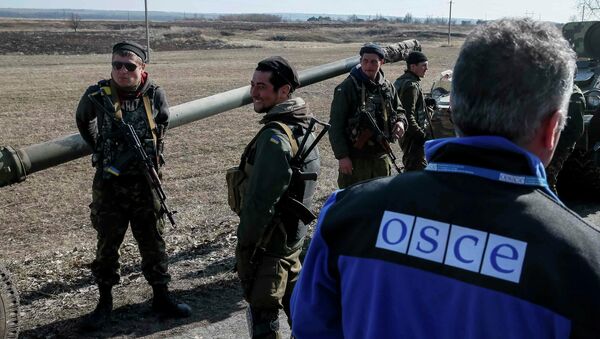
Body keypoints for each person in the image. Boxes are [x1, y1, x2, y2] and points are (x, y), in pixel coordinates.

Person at [291, 19, 600, 338]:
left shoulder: (346, 215)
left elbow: (310, 327)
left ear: (454, 108)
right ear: (553, 129)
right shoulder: (584, 265)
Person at [76, 41, 191, 330]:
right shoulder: (97, 93)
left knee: (153, 241)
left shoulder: (154, 94)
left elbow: (162, 124)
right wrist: (101, 148)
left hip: (145, 182)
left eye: (130, 66)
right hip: (110, 185)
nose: (123, 71)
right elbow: (83, 121)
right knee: (106, 246)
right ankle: (104, 304)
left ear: (142, 68)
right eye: (117, 65)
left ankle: (161, 296)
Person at [234, 56, 320, 338]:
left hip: (269, 247)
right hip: (290, 241)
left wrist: (246, 246)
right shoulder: (301, 126)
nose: (254, 93)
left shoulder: (276, 137)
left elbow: (259, 203)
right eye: (252, 85)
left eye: (262, 87)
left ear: (284, 92)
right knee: (303, 315)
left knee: (264, 321)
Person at [328, 43, 406, 188]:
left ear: (381, 62)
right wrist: (342, 156)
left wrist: (401, 122)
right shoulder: (347, 88)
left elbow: (400, 110)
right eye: (365, 61)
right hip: (356, 159)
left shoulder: (387, 87)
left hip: (381, 157)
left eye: (373, 61)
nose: (368, 65)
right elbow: (335, 126)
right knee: (353, 203)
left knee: (380, 200)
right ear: (360, 61)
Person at [394, 51, 435, 171]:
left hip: (407, 135)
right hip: (412, 137)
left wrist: (424, 103)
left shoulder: (402, 81)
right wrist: (420, 135)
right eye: (423, 65)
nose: (426, 69)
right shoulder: (411, 85)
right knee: (417, 170)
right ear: (412, 66)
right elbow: (407, 114)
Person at [545, 83, 585, 194]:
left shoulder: (574, 96)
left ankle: (552, 207)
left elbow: (575, 130)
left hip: (560, 144)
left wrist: (558, 145)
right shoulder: (552, 87)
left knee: (548, 180)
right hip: (548, 141)